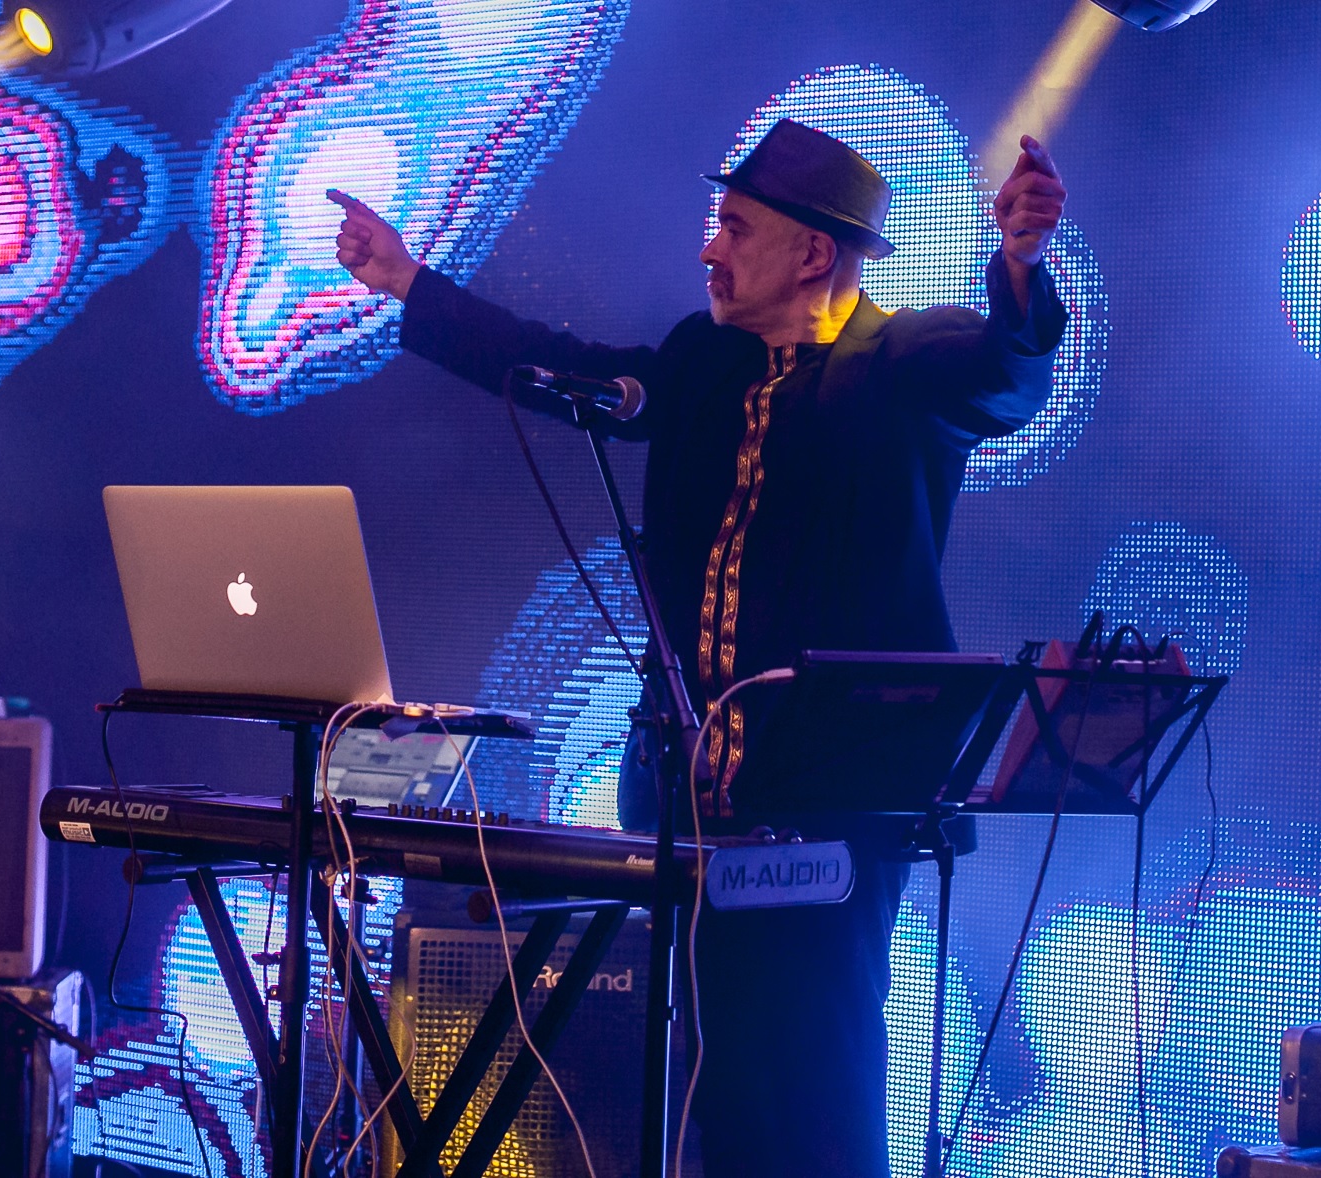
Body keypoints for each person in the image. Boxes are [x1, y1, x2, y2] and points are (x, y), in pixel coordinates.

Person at [330, 118, 1068, 1177]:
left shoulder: (902, 362)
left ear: (811, 251)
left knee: (814, 1067)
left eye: (734, 228)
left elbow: (1006, 372)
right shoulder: (701, 362)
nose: (709, 249)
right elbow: (557, 365)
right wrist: (408, 283)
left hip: (838, 797)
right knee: (707, 1080)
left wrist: (1019, 263)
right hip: (687, 795)